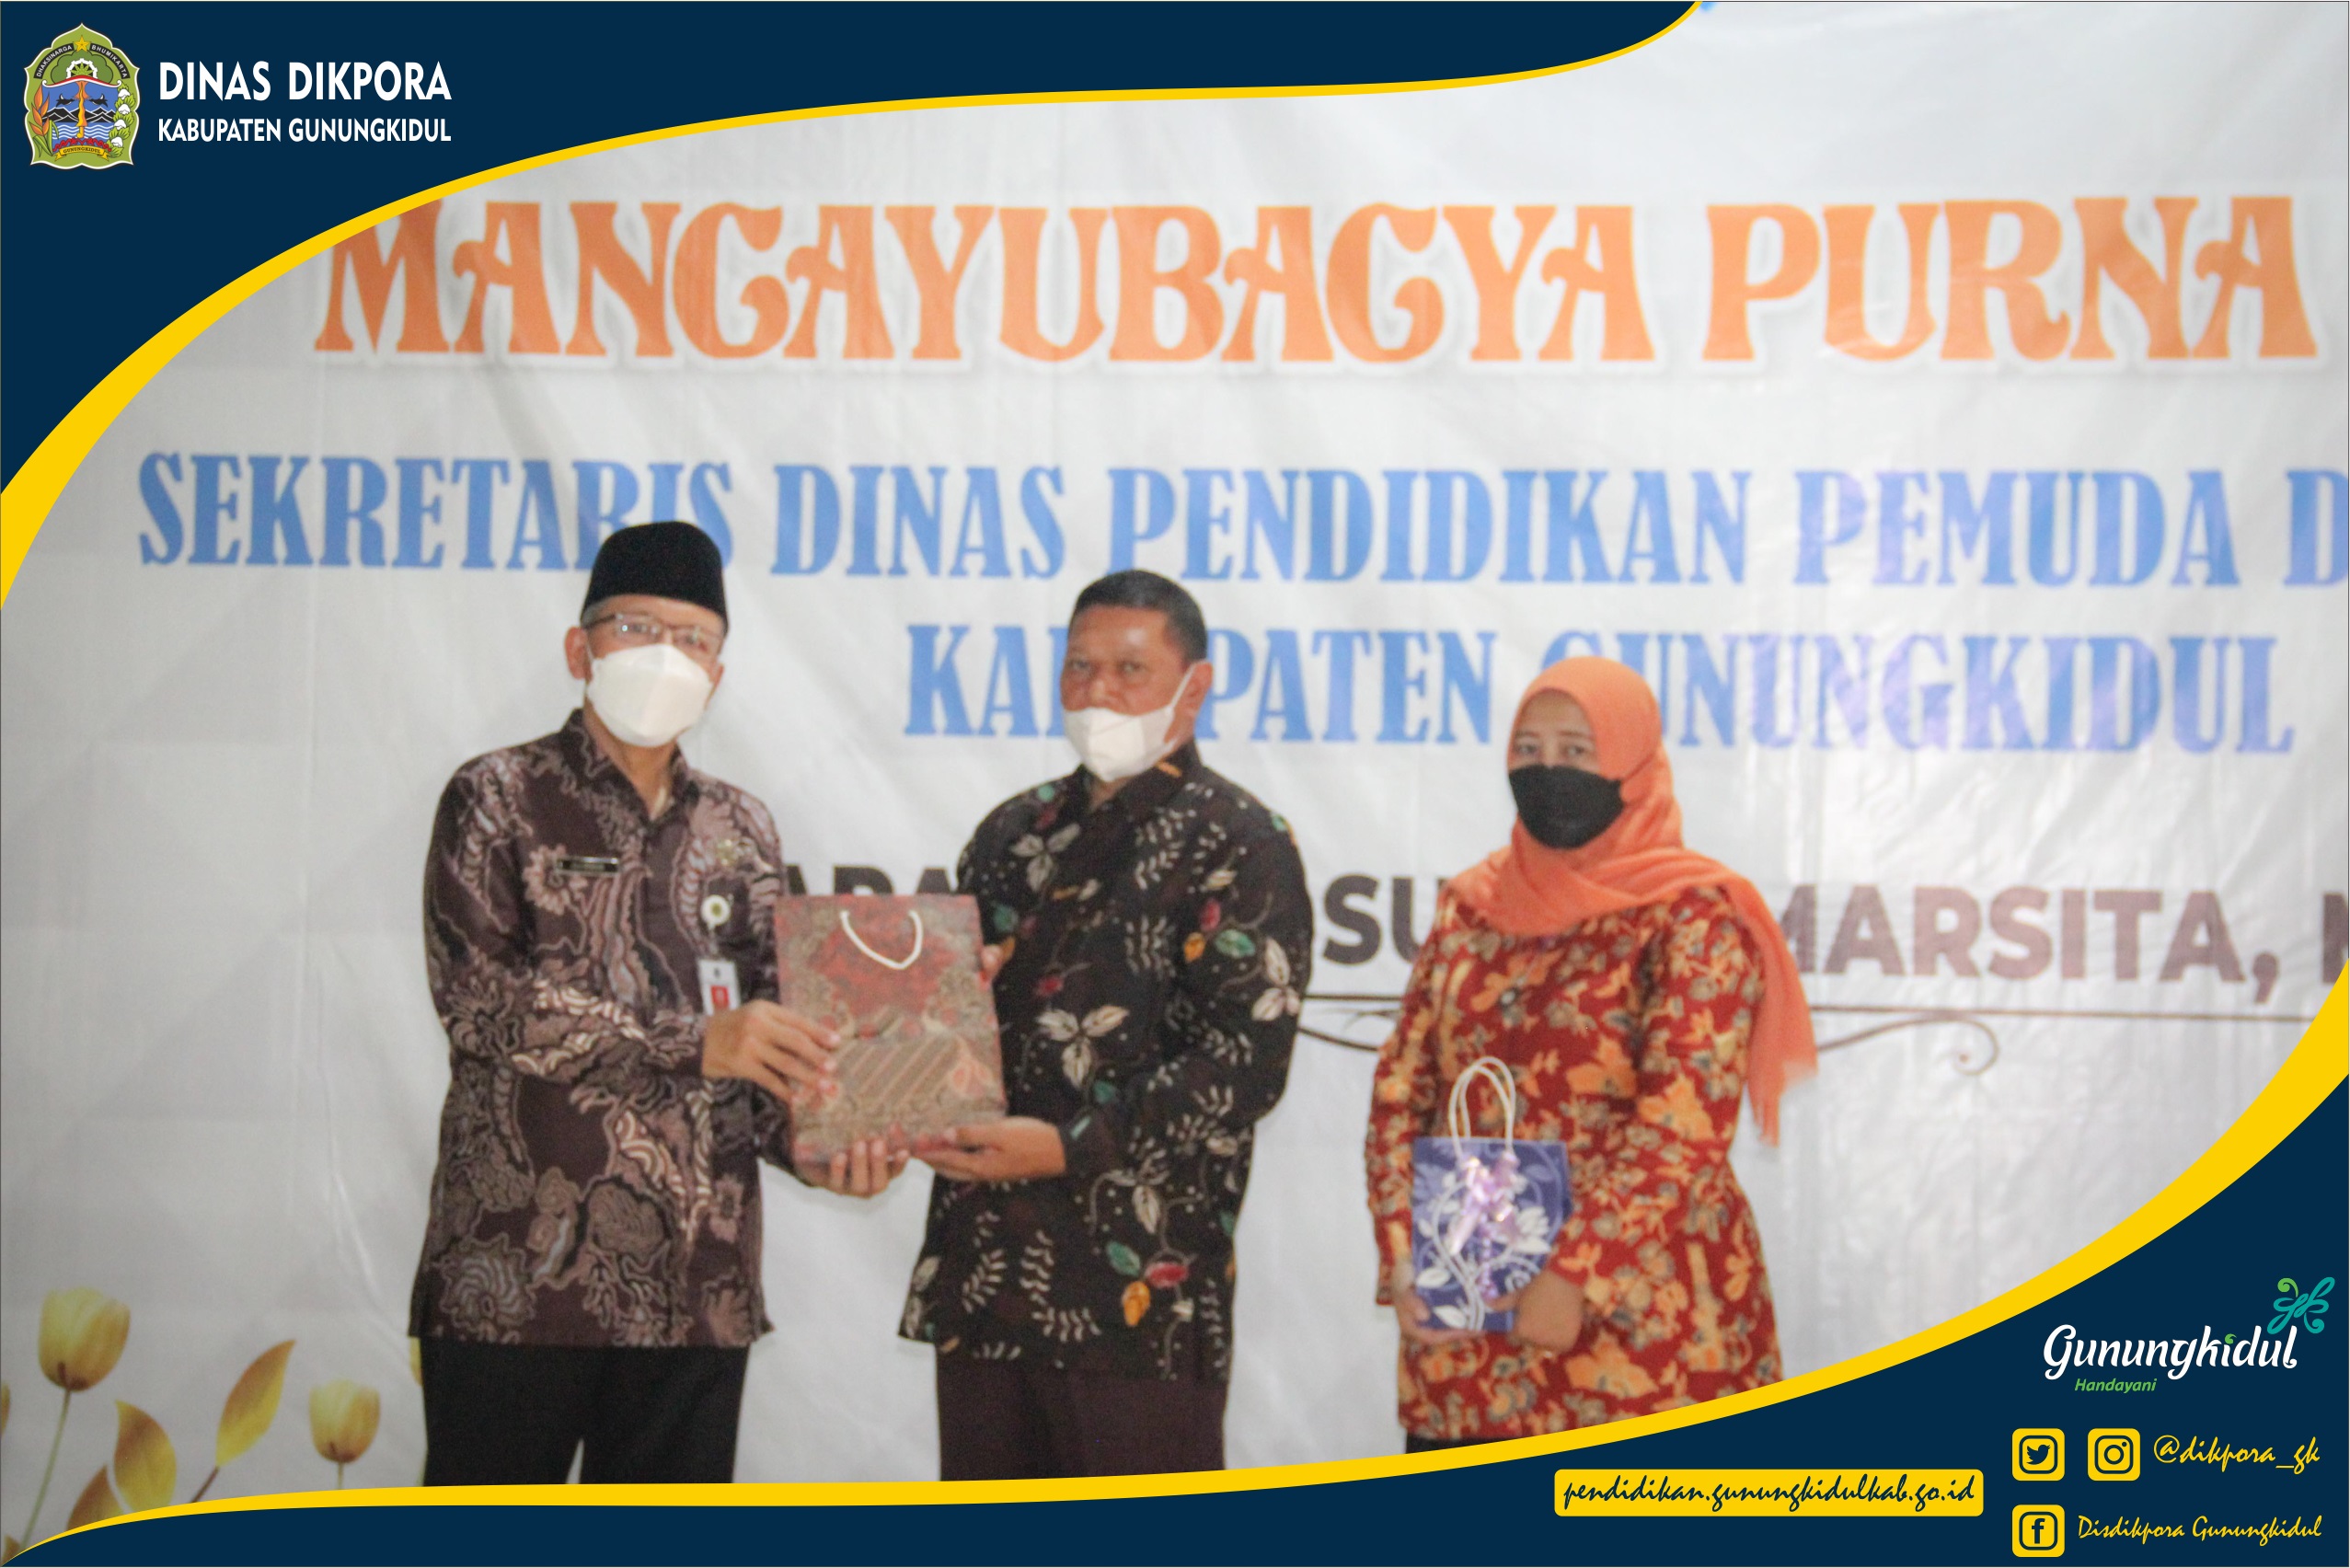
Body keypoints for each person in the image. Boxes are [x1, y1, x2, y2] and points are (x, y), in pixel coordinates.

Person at [409, 521, 903, 1485]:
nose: (665, 656)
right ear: (579, 649)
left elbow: (765, 1036)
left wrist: (819, 1145)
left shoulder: (742, 826)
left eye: (693, 639)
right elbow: (479, 1003)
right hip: (519, 1280)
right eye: (636, 628)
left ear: (717, 674)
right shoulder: (496, 796)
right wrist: (696, 1041)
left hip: (696, 1289)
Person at [900, 569, 1313, 1479]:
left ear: (1193, 688)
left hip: (1138, 1295)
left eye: (1130, 669)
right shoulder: (1010, 833)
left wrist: (1066, 1146)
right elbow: (943, 1027)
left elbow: (1243, 1068)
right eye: (1079, 666)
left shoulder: (1240, 841)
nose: (1098, 692)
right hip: (987, 1277)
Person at [1364, 656, 1817, 1448]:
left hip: (1641, 1333)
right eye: (1528, 750)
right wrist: (1403, 1255)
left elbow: (1683, 1128)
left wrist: (1574, 1273)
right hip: (1470, 1323)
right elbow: (1403, 1088)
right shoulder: (1471, 906)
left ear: (1632, 764)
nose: (1548, 771)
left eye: (1576, 752)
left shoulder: (1692, 916)